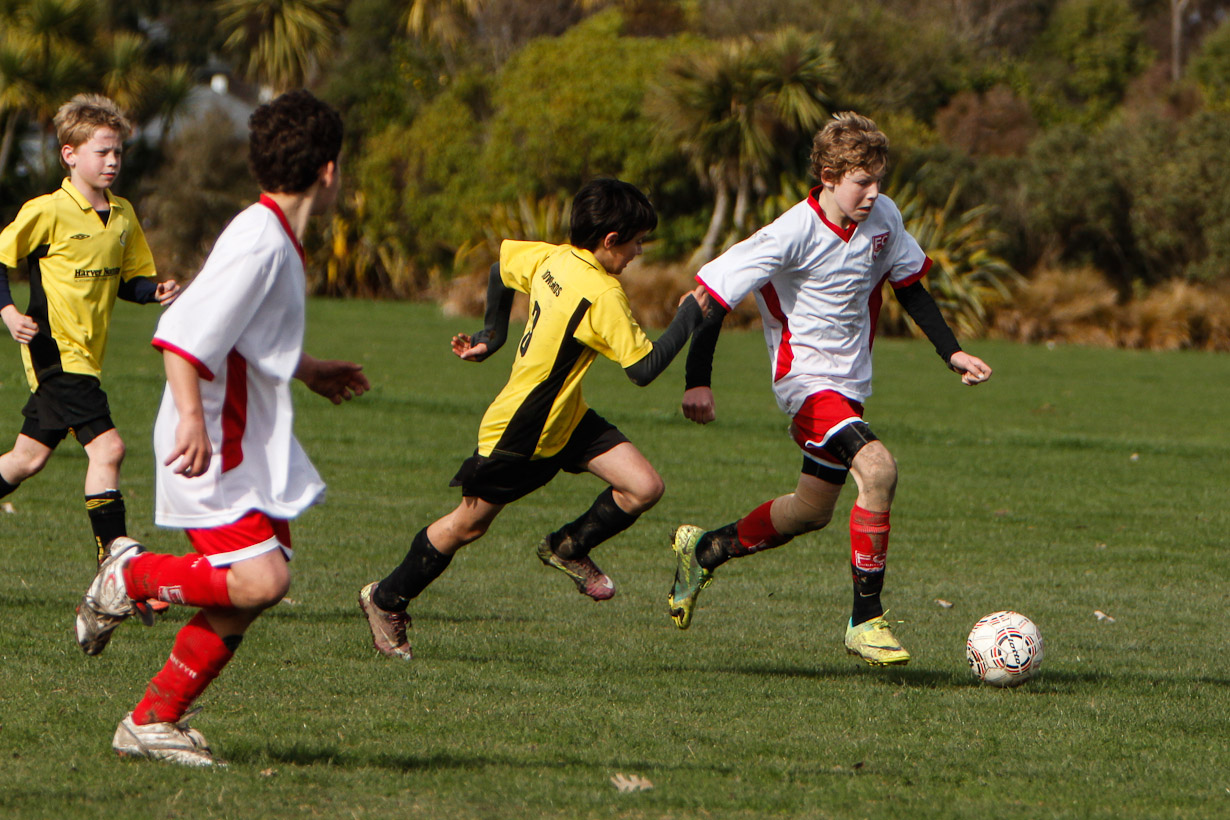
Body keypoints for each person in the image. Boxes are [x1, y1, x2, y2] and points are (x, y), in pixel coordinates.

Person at [73, 89, 369, 766]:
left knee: (250, 591)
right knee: (262, 581)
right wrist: (189, 418)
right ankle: (132, 576)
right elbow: (181, 334)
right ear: (329, 170)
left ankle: (152, 720)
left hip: (243, 440)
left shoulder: (273, 235)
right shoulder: (263, 240)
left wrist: (307, 368)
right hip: (210, 442)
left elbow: (244, 333)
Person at [666, 112, 993, 666]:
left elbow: (910, 286)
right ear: (828, 176)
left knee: (810, 511)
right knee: (879, 469)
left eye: (879, 180)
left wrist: (952, 352)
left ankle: (704, 550)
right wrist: (698, 381)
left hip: (849, 387)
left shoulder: (883, 217)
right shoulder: (790, 232)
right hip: (805, 382)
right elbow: (714, 298)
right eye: (862, 181)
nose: (874, 193)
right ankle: (865, 620)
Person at [359, 178, 709, 661]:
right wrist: (689, 315)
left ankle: (568, 548)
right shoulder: (603, 293)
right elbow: (643, 369)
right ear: (610, 240)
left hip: (564, 417)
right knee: (467, 526)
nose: (639, 252)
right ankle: (385, 599)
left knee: (643, 487)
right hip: (520, 430)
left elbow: (501, 268)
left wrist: (493, 333)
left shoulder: (553, 257)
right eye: (636, 242)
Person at [0, 94, 180, 571]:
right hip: (55, 351)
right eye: (102, 151)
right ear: (70, 154)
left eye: (117, 151)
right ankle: (114, 567)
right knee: (109, 448)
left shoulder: (122, 215)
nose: (112, 160)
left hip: (86, 355)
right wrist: (8, 311)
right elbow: (1, 257)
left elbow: (129, 281)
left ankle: (113, 569)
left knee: (26, 459)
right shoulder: (47, 210)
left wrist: (154, 290)